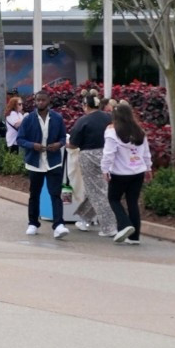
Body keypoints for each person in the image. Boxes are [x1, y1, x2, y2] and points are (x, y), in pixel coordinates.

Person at [15, 90, 68, 238]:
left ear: (48, 101)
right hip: (35, 162)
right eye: (38, 100)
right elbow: (20, 139)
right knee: (35, 194)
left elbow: (63, 137)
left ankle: (58, 225)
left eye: (43, 100)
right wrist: (33, 145)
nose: (40, 103)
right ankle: (33, 223)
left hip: (53, 162)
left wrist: (59, 144)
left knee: (55, 194)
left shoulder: (57, 118)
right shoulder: (29, 119)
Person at [102, 102, 153, 243]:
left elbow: (108, 154)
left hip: (119, 173)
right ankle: (134, 237)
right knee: (132, 202)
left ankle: (125, 225)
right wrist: (148, 168)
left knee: (113, 199)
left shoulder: (111, 131)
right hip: (138, 172)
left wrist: (105, 170)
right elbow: (146, 153)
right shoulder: (139, 131)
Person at [69, 93, 116, 239]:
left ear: (85, 105)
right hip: (109, 155)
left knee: (96, 191)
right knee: (99, 189)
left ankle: (109, 227)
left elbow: (73, 143)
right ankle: (85, 218)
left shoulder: (83, 120)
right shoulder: (109, 118)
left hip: (88, 156)